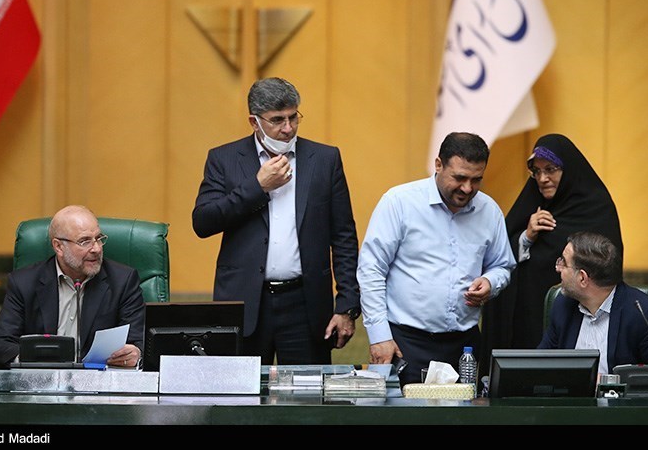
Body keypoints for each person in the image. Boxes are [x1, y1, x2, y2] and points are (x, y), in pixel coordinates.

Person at [192, 77, 360, 365]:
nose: (288, 128)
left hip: (305, 304)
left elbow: (344, 236)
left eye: (293, 117)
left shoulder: (325, 159)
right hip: (245, 303)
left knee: (306, 392)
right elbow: (203, 222)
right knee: (241, 392)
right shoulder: (224, 159)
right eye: (277, 120)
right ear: (254, 122)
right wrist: (257, 187)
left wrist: (346, 305)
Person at [357, 132, 516, 387]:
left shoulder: (489, 211)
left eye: (476, 180)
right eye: (459, 178)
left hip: (464, 347)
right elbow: (371, 270)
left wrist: (490, 281)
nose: (467, 188)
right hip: (404, 343)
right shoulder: (399, 203)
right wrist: (379, 336)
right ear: (439, 164)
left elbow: (502, 265)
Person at [480, 134, 623, 374]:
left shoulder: (597, 207)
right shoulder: (531, 204)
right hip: (527, 322)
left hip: (578, 322)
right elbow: (500, 256)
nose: (542, 179)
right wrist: (527, 236)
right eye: (536, 171)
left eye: (550, 170)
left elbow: (607, 267)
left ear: (568, 170)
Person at [0, 205, 145, 368]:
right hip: (42, 379)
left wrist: (136, 352)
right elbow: (0, 345)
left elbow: (139, 341)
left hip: (99, 378)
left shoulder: (123, 281)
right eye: (85, 241)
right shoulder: (23, 283)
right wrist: (33, 360)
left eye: (98, 238)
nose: (97, 249)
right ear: (58, 247)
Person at [539, 231, 648, 392]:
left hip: (619, 406)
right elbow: (539, 366)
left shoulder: (642, 313)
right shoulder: (563, 305)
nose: (558, 268)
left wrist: (608, 383)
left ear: (582, 278)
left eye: (564, 263)